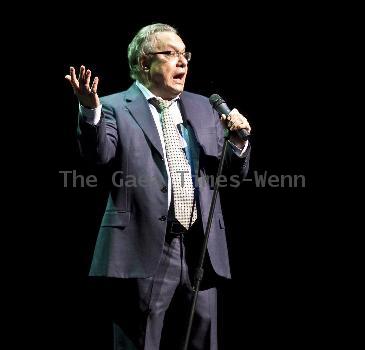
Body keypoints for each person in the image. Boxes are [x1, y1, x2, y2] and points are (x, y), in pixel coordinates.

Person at [65, 23, 251, 350]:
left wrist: (237, 143)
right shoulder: (113, 107)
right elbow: (98, 156)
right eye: (171, 54)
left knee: (203, 341)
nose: (182, 62)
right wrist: (89, 111)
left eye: (185, 54)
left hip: (200, 249)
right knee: (140, 341)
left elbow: (230, 174)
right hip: (144, 245)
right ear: (144, 63)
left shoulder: (204, 108)